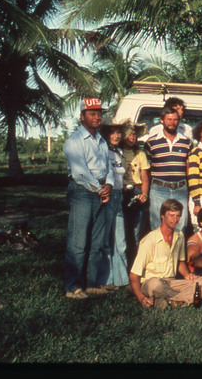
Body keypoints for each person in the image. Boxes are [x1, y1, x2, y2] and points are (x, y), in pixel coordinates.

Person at [63, 97, 115, 299]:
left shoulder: (101, 140)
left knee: (97, 241)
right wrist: (99, 188)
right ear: (82, 116)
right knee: (78, 242)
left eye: (99, 113)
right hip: (83, 192)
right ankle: (73, 287)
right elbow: (79, 172)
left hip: (101, 190)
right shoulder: (74, 141)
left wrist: (108, 184)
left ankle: (92, 283)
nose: (97, 116)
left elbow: (108, 167)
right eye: (92, 113)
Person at [129, 199, 202, 308]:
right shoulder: (150, 240)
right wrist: (141, 298)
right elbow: (133, 275)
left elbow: (180, 261)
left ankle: (169, 301)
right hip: (152, 282)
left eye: (178, 216)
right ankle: (191, 298)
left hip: (172, 283)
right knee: (155, 285)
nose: (175, 220)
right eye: (171, 215)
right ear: (162, 216)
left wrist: (187, 275)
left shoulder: (179, 236)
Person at [145, 106, 191, 232]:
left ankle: (175, 252)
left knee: (180, 226)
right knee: (157, 226)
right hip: (159, 189)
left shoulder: (187, 142)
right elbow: (146, 169)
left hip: (180, 189)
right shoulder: (151, 142)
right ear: (162, 121)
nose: (172, 122)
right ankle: (160, 252)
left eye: (175, 119)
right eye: (169, 119)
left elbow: (188, 168)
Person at [99, 119, 129, 290]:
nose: (116, 135)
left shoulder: (119, 151)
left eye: (118, 132)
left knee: (120, 240)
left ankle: (122, 278)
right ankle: (107, 278)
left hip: (119, 196)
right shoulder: (103, 151)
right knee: (106, 239)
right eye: (112, 132)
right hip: (108, 197)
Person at [120, 120, 150, 264]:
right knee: (123, 231)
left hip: (137, 191)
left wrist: (144, 194)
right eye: (129, 135)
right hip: (121, 192)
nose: (132, 138)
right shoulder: (117, 152)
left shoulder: (140, 154)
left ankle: (136, 265)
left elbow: (145, 177)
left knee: (137, 232)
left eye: (134, 135)